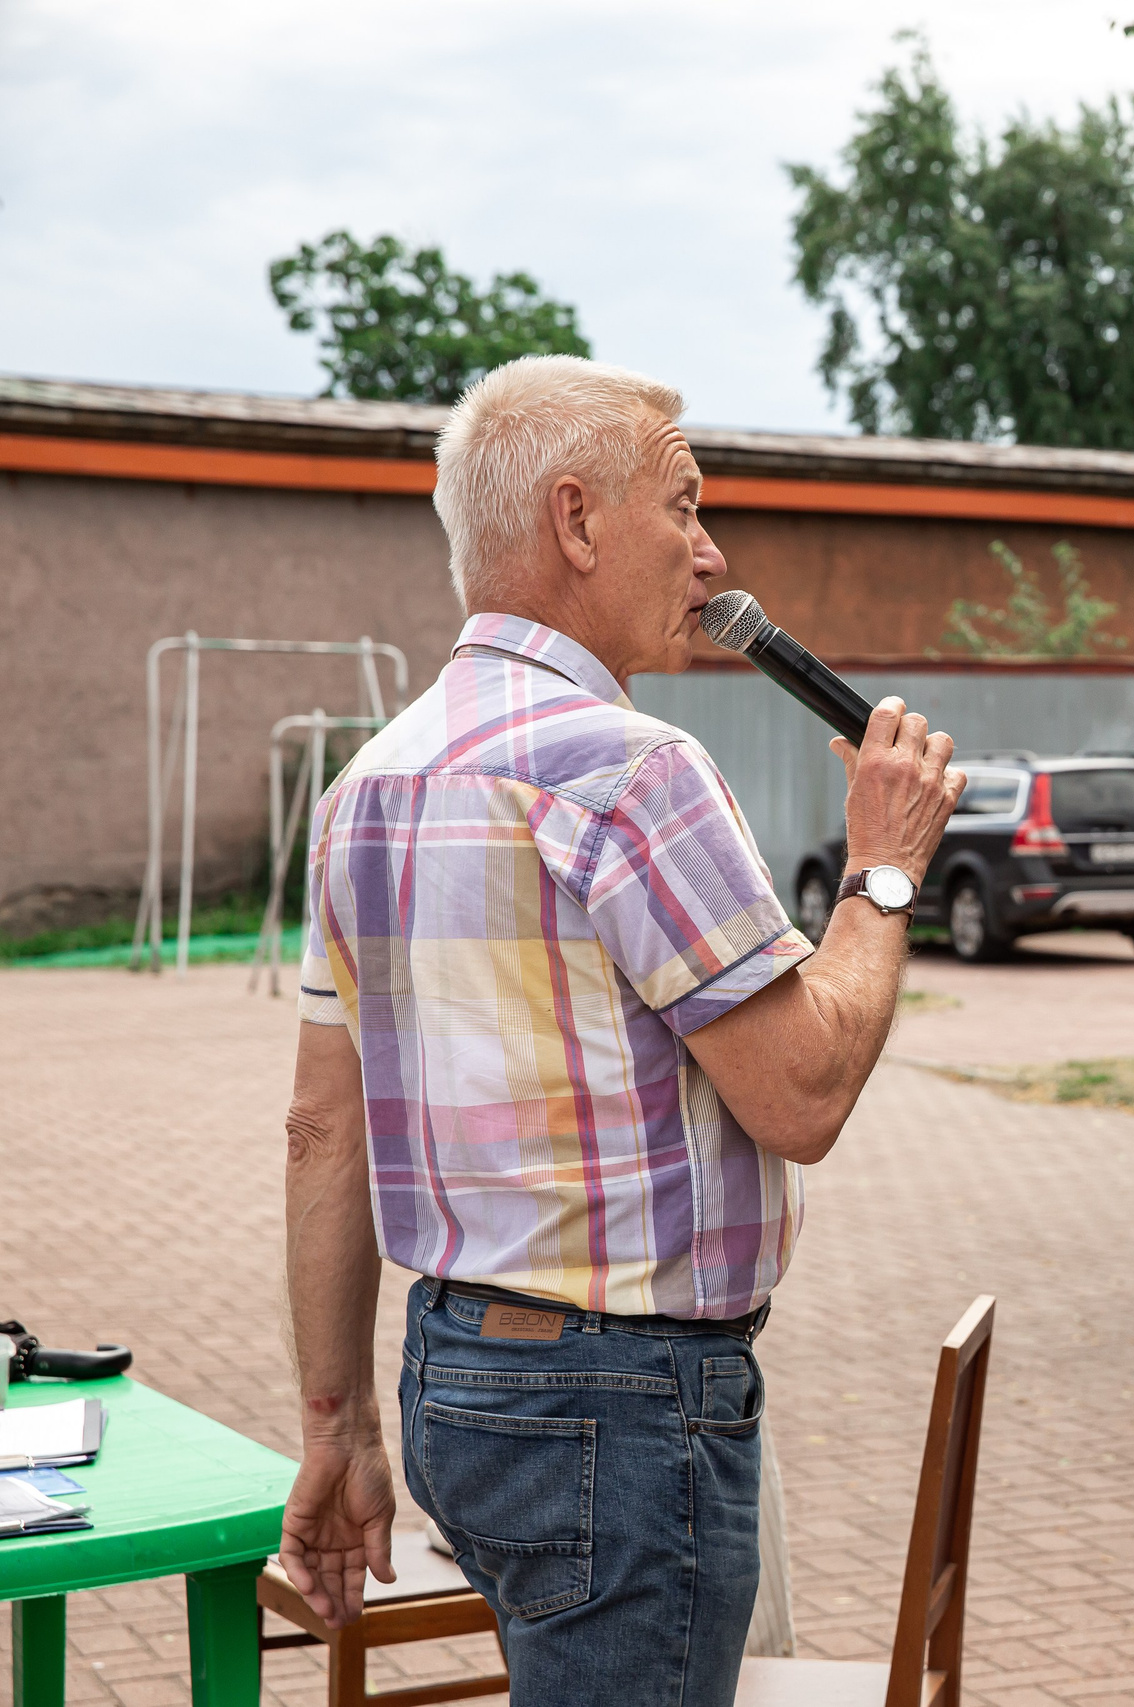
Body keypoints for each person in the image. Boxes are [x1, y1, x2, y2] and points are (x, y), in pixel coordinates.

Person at [275, 355, 962, 1706]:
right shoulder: (635, 768)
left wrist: (337, 1422)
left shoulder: (369, 783)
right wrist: (882, 872)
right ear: (579, 521)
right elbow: (804, 1093)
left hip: (456, 1381)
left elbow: (319, 1129)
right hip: (626, 1407)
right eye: (687, 504)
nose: (711, 553)